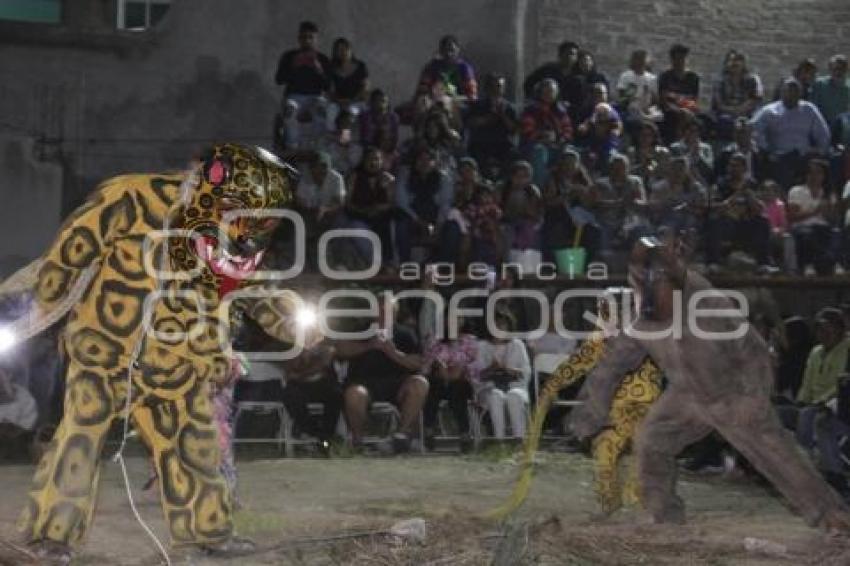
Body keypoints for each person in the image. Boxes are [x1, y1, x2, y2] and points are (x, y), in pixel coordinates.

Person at [8, 143, 318, 562]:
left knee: (196, 447)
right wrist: (46, 296)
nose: (247, 222)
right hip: (108, 354)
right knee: (79, 439)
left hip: (180, 366)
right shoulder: (132, 196)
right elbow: (73, 248)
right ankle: (51, 535)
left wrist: (295, 319)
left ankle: (208, 533)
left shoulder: (235, 244)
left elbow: (258, 292)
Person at [568, 234, 850, 531]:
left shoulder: (709, 302)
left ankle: (830, 513)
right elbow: (611, 366)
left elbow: (754, 351)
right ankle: (662, 514)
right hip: (686, 395)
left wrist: (756, 395)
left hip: (733, 393)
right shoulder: (640, 318)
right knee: (652, 440)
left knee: (776, 455)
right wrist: (589, 413)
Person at [497, 288, 663, 517]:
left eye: (607, 309)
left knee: (637, 449)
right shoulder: (601, 336)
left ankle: (638, 503)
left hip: (641, 404)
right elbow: (580, 362)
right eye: (602, 309)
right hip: (615, 408)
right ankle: (611, 504)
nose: (603, 314)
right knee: (604, 448)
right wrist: (552, 385)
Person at [335, 294, 429, 453]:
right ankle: (358, 442)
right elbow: (340, 349)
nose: (383, 313)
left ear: (395, 313)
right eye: (379, 309)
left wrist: (393, 353)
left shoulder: (406, 333)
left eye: (387, 310)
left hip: (397, 385)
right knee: (353, 394)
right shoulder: (360, 330)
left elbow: (418, 363)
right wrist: (369, 346)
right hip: (365, 384)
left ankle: (400, 436)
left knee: (420, 383)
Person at [751, 78, 831, 190]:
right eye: (788, 91)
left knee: (824, 165)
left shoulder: (809, 109)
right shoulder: (769, 111)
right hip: (779, 155)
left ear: (800, 93)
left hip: (804, 154)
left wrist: (820, 150)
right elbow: (755, 130)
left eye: (795, 91)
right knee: (782, 168)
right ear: (782, 92)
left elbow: (823, 133)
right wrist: (766, 149)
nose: (792, 95)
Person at [705, 153, 773, 272]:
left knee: (763, 221)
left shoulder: (751, 185)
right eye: (731, 166)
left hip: (745, 224)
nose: (733, 169)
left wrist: (748, 194)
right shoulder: (720, 184)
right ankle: (713, 262)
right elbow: (716, 207)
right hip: (727, 223)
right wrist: (737, 193)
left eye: (737, 166)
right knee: (713, 221)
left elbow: (758, 209)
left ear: (744, 169)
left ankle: (764, 263)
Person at [475, 309, 531, 440]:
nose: (499, 328)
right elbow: (476, 375)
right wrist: (491, 368)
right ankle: (499, 440)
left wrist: (506, 368)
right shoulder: (481, 346)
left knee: (514, 395)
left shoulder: (517, 345)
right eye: (496, 324)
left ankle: (519, 439)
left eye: (502, 324)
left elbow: (525, 372)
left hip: (515, 386)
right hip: (488, 388)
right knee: (496, 395)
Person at [275, 21, 332, 148]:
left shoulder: (323, 59)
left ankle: (318, 145)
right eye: (303, 37)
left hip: (315, 97)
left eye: (310, 37)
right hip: (294, 97)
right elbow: (279, 80)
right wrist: (293, 66)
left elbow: (328, 87)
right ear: (299, 39)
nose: (307, 41)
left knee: (321, 110)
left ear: (316, 39)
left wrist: (320, 71)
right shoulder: (289, 56)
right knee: (289, 110)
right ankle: (292, 145)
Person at [395, 146, 454, 263]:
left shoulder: (443, 178)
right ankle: (405, 265)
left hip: (435, 217)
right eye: (421, 159)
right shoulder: (406, 175)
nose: (424, 163)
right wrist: (419, 221)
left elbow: (445, 204)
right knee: (401, 226)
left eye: (428, 159)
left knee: (453, 228)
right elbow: (402, 203)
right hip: (413, 217)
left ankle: (443, 267)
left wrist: (438, 225)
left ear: (434, 162)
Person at [344, 146, 396, 269]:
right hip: (359, 215)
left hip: (382, 217)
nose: (373, 162)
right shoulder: (354, 177)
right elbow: (347, 202)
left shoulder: (388, 178)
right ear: (364, 160)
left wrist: (377, 209)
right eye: (370, 159)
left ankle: (390, 263)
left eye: (376, 159)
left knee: (390, 227)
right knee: (357, 230)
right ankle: (377, 264)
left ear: (381, 161)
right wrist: (362, 210)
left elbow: (391, 204)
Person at [787, 158, 839, 275]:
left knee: (834, 236)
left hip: (824, 228)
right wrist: (815, 211)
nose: (814, 176)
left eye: (818, 172)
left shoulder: (828, 193)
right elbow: (792, 217)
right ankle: (815, 263)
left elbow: (834, 220)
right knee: (808, 236)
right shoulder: (796, 191)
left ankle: (825, 263)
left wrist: (827, 212)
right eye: (811, 172)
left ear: (824, 176)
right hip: (802, 228)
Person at [520, 78, 573, 187]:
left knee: (571, 154)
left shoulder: (561, 111)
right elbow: (527, 130)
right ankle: (539, 188)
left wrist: (560, 139)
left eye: (552, 91)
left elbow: (567, 130)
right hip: (535, 145)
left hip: (557, 144)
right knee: (539, 152)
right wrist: (542, 137)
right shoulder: (531, 110)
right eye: (546, 91)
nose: (549, 94)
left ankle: (566, 188)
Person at [464, 73, 519, 177]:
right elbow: (470, 123)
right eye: (494, 86)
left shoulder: (509, 108)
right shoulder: (477, 105)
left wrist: (503, 116)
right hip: (481, 143)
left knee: (513, 156)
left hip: (502, 144)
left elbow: (514, 130)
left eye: (499, 87)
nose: (496, 90)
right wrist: (487, 119)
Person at [711, 50, 764, 140]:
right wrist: (734, 111)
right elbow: (719, 104)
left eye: (737, 61)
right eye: (731, 61)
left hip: (747, 112)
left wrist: (741, 110)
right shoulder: (721, 81)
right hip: (727, 113)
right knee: (725, 120)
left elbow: (755, 99)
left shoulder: (752, 79)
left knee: (756, 120)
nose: (734, 64)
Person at [658, 44, 701, 144]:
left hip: (688, 109)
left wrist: (686, 109)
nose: (680, 61)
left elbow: (694, 100)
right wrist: (679, 110)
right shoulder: (665, 77)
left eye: (683, 58)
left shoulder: (693, 78)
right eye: (677, 58)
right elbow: (664, 101)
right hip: (670, 110)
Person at [523, 40, 583, 111]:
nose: (570, 57)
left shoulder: (578, 76)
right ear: (560, 55)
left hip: (568, 112)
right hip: (544, 110)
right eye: (567, 53)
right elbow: (528, 83)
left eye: (573, 54)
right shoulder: (548, 69)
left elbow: (580, 100)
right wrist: (535, 100)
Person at [616, 49, 661, 141]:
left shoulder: (652, 79)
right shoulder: (626, 76)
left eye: (643, 59)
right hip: (630, 109)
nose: (640, 62)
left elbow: (655, 100)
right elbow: (622, 99)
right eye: (638, 59)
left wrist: (649, 109)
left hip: (646, 110)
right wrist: (630, 95)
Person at [417, 34, 478, 101]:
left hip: (459, 105)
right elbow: (422, 90)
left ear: (458, 50)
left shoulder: (465, 68)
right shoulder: (432, 67)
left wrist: (451, 100)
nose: (449, 54)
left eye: (452, 50)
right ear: (440, 51)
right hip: (434, 103)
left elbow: (472, 97)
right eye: (445, 50)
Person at [326, 37, 370, 130]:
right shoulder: (332, 69)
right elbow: (329, 90)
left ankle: (349, 140)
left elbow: (365, 89)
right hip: (338, 102)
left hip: (357, 101)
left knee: (351, 114)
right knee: (330, 112)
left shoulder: (360, 66)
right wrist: (339, 101)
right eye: (339, 50)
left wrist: (351, 101)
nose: (343, 52)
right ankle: (331, 137)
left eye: (345, 49)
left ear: (350, 49)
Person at [812, 54, 850, 134]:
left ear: (846, 69)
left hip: (844, 130)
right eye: (835, 69)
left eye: (841, 69)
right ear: (830, 69)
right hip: (821, 128)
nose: (838, 72)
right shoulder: (819, 85)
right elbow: (813, 108)